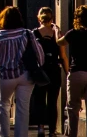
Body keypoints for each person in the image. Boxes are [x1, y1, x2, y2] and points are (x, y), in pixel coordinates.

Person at [0, 5, 43, 137]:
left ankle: (3, 135)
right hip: (25, 75)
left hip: (6, 76)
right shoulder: (27, 33)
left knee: (3, 106)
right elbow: (39, 54)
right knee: (23, 108)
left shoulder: (0, 36)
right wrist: (39, 66)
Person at [57, 4, 87, 137]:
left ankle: (72, 134)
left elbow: (60, 43)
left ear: (77, 19)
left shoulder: (73, 33)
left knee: (73, 107)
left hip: (78, 72)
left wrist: (57, 35)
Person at [31, 7, 62, 137]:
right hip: (54, 69)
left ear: (39, 18)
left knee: (39, 100)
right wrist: (67, 70)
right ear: (52, 18)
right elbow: (63, 54)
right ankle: (52, 131)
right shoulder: (56, 33)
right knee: (52, 101)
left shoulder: (34, 33)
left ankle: (41, 128)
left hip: (40, 70)